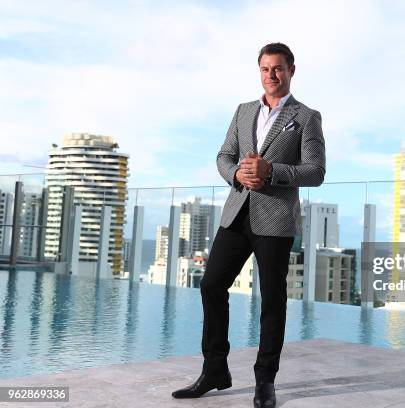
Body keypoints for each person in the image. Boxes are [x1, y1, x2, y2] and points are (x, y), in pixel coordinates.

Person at [172, 42, 326, 408]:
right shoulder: (243, 111)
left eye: (278, 69)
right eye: (264, 69)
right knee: (211, 285)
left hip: (275, 220)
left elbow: (316, 172)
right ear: (259, 71)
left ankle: (265, 381)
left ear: (291, 70)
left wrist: (272, 171)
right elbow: (224, 155)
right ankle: (215, 371)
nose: (271, 75)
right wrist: (237, 172)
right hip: (236, 213)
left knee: (272, 300)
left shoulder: (306, 117)